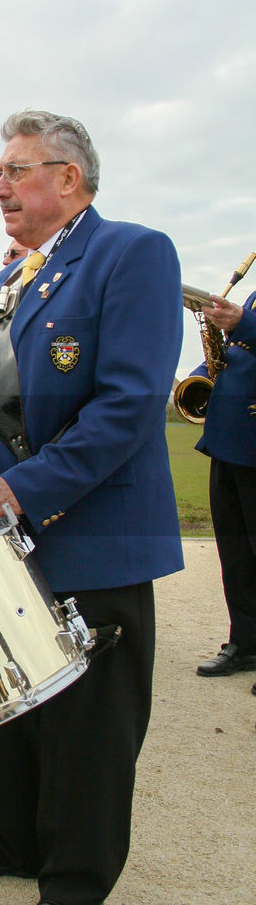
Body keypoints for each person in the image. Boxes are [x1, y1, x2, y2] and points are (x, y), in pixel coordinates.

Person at [0, 110, 184, 905]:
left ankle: (75, 879)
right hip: (5, 531)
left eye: (14, 172)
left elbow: (127, 404)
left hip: (89, 526)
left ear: (67, 178)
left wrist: (21, 486)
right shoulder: (12, 277)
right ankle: (9, 834)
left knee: (88, 719)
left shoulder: (129, 253)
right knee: (8, 693)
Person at [190, 291, 256, 693]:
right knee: (236, 555)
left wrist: (242, 323)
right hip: (229, 440)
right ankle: (245, 643)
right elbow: (238, 356)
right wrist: (201, 374)